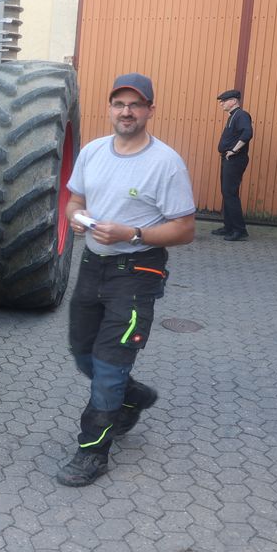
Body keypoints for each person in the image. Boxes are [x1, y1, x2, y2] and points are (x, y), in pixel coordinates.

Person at [57, 73, 196, 487]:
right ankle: (135, 398)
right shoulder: (94, 152)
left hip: (138, 271)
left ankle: (92, 451)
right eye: (120, 103)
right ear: (110, 108)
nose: (127, 111)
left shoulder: (166, 163)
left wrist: (131, 233)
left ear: (150, 110)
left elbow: (185, 229)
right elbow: (74, 201)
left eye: (136, 105)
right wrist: (78, 219)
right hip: (93, 265)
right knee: (83, 353)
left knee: (109, 366)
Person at [213, 89, 253, 241]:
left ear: (234, 101)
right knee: (227, 192)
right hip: (228, 159)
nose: (221, 103)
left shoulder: (241, 115)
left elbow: (247, 133)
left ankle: (240, 230)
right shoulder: (233, 117)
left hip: (235, 159)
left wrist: (234, 150)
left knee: (230, 193)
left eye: (224, 100)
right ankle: (229, 227)